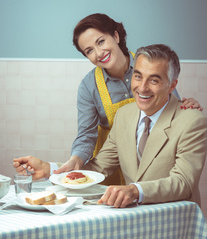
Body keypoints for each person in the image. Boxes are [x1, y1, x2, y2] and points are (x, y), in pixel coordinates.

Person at [13, 44, 207, 208]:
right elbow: (99, 167)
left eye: (154, 80)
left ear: (172, 85)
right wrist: (51, 170)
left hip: (175, 221)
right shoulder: (124, 115)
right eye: (138, 76)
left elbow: (184, 183)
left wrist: (135, 190)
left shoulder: (193, 122)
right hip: (132, 217)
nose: (142, 87)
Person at [51, 13, 202, 185]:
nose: (99, 53)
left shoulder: (147, 62)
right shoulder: (88, 86)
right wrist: (76, 159)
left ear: (115, 36)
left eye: (101, 42)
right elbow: (86, 134)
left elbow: (171, 108)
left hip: (152, 160)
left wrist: (186, 108)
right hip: (111, 159)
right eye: (89, 51)